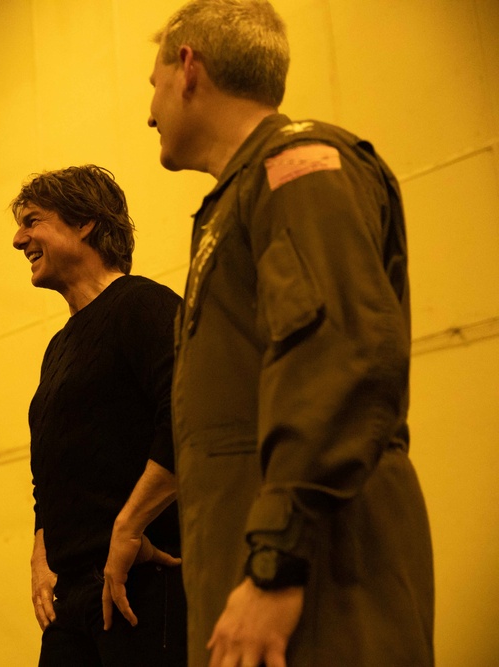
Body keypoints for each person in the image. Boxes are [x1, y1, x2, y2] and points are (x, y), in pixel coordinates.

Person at [104, 1, 435, 665]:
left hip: (314, 577)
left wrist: (277, 564)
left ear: (188, 68)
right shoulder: (241, 199)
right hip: (253, 566)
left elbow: (339, 360)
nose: (149, 111)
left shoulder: (299, 169)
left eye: (153, 84)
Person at [11, 165, 186, 666]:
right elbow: (54, 465)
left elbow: (185, 420)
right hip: (76, 591)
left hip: (142, 578)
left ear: (84, 223)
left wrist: (129, 528)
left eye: (32, 221)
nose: (18, 239)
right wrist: (43, 552)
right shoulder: (59, 346)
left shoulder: (143, 305)